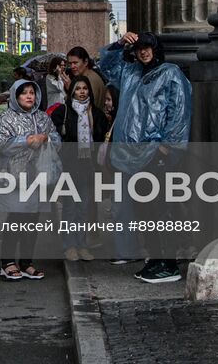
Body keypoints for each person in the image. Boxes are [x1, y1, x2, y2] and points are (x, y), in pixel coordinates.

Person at [98, 31, 192, 284]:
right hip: (130, 156)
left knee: (161, 209)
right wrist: (119, 44)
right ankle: (156, 257)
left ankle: (169, 263)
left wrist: (167, 147)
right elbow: (105, 65)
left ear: (156, 49)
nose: (143, 52)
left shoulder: (170, 73)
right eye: (139, 48)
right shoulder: (130, 73)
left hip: (154, 155)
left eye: (148, 48)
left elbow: (179, 111)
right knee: (144, 211)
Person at [0, 77, 60, 282]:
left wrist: (46, 138)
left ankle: (26, 262)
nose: (29, 96)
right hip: (14, 177)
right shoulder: (5, 118)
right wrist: (26, 141)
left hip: (38, 176)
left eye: (32, 92)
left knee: (33, 219)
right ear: (15, 95)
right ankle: (7, 262)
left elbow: (57, 139)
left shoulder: (43, 118)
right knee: (16, 218)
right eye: (24, 92)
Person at [53, 75, 110, 261]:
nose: (82, 92)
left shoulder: (97, 113)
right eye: (78, 88)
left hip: (88, 166)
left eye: (85, 88)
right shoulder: (64, 112)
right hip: (69, 165)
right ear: (72, 91)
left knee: (84, 208)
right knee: (69, 207)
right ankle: (68, 245)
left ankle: (81, 244)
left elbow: (101, 138)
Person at [66, 47, 107, 111]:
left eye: (75, 63)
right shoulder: (86, 77)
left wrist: (71, 89)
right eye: (70, 63)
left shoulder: (90, 80)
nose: (72, 66)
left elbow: (85, 108)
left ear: (85, 62)